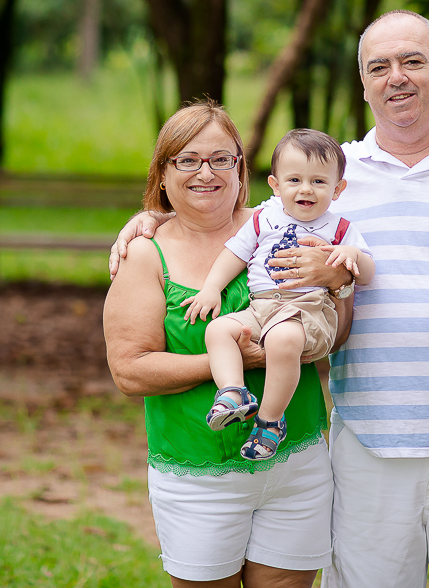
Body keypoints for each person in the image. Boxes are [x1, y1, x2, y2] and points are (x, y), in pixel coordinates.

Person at [110, 10, 429, 588]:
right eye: (378, 67)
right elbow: (231, 216)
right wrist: (152, 217)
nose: (397, 78)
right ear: (363, 84)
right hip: (367, 446)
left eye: (413, 61)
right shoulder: (334, 171)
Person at [103, 102, 344, 588]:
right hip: (198, 474)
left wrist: (340, 278)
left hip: (295, 465)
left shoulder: (283, 224)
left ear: (241, 167)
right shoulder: (146, 254)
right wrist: (230, 361)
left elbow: (336, 327)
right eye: (187, 160)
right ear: (163, 172)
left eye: (220, 158)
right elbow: (130, 371)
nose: (205, 172)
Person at [183, 128, 375, 462]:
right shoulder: (263, 218)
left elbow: (369, 273)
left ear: (338, 188)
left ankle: (270, 421)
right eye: (294, 180)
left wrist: (352, 257)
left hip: (307, 310)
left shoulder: (340, 228)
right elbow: (235, 254)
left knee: (282, 339)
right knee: (219, 330)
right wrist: (212, 287)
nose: (306, 189)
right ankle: (233, 392)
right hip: (260, 307)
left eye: (318, 182)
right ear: (275, 185)